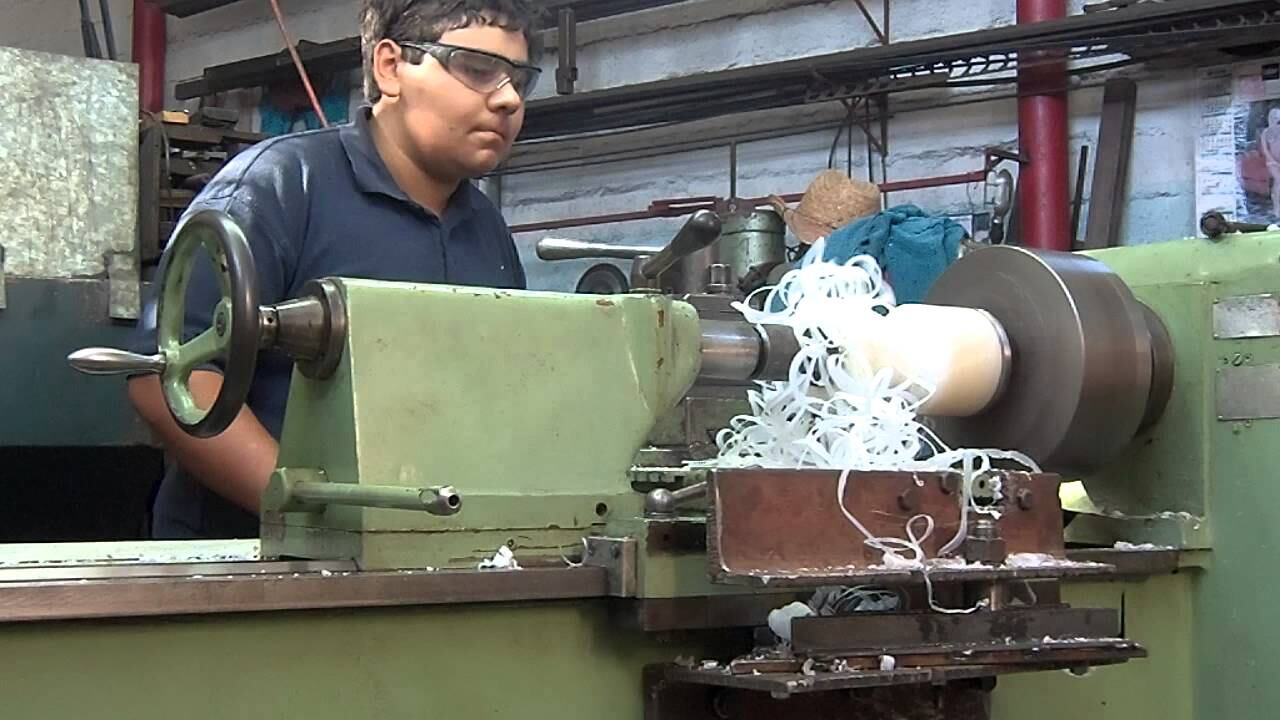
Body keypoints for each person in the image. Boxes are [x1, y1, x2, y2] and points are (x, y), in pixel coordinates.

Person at [126, 0, 543, 540]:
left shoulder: (488, 232)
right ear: (390, 67)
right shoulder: (278, 187)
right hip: (253, 574)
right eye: (478, 69)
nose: (508, 99)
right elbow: (168, 380)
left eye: (519, 79)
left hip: (425, 564)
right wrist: (313, 518)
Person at [1262, 106, 1280, 219]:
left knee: (1277, 184)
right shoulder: (1266, 132)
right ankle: (1277, 208)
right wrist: (1273, 160)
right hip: (1272, 162)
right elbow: (1265, 149)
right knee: (1278, 180)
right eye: (1273, 117)